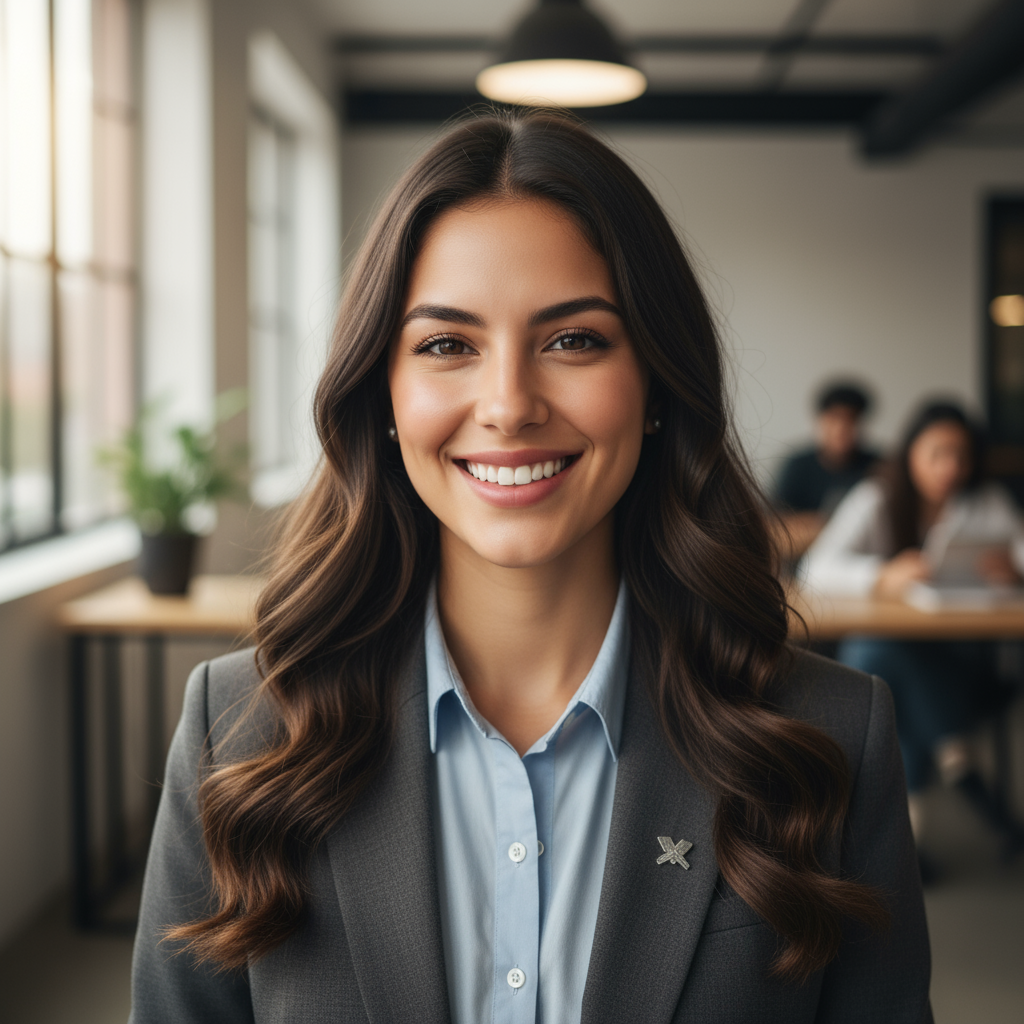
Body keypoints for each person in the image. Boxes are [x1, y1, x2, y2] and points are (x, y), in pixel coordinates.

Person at [129, 109, 930, 1023]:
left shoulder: (828, 733)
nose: (508, 405)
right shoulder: (238, 737)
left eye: (574, 340)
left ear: (658, 384)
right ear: (382, 395)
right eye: (446, 345)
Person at [802, 400, 1024, 863]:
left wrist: (1015, 570)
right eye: (938, 453)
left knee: (875, 660)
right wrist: (882, 575)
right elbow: (814, 568)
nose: (951, 468)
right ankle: (956, 754)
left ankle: (901, 843)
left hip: (965, 665)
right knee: (882, 650)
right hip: (914, 672)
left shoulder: (986, 502)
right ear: (910, 454)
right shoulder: (877, 497)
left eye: (961, 455)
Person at [775, 382, 878, 560]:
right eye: (834, 418)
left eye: (851, 419)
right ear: (820, 419)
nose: (841, 428)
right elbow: (777, 530)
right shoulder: (798, 465)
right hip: (800, 566)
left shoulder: (877, 466)